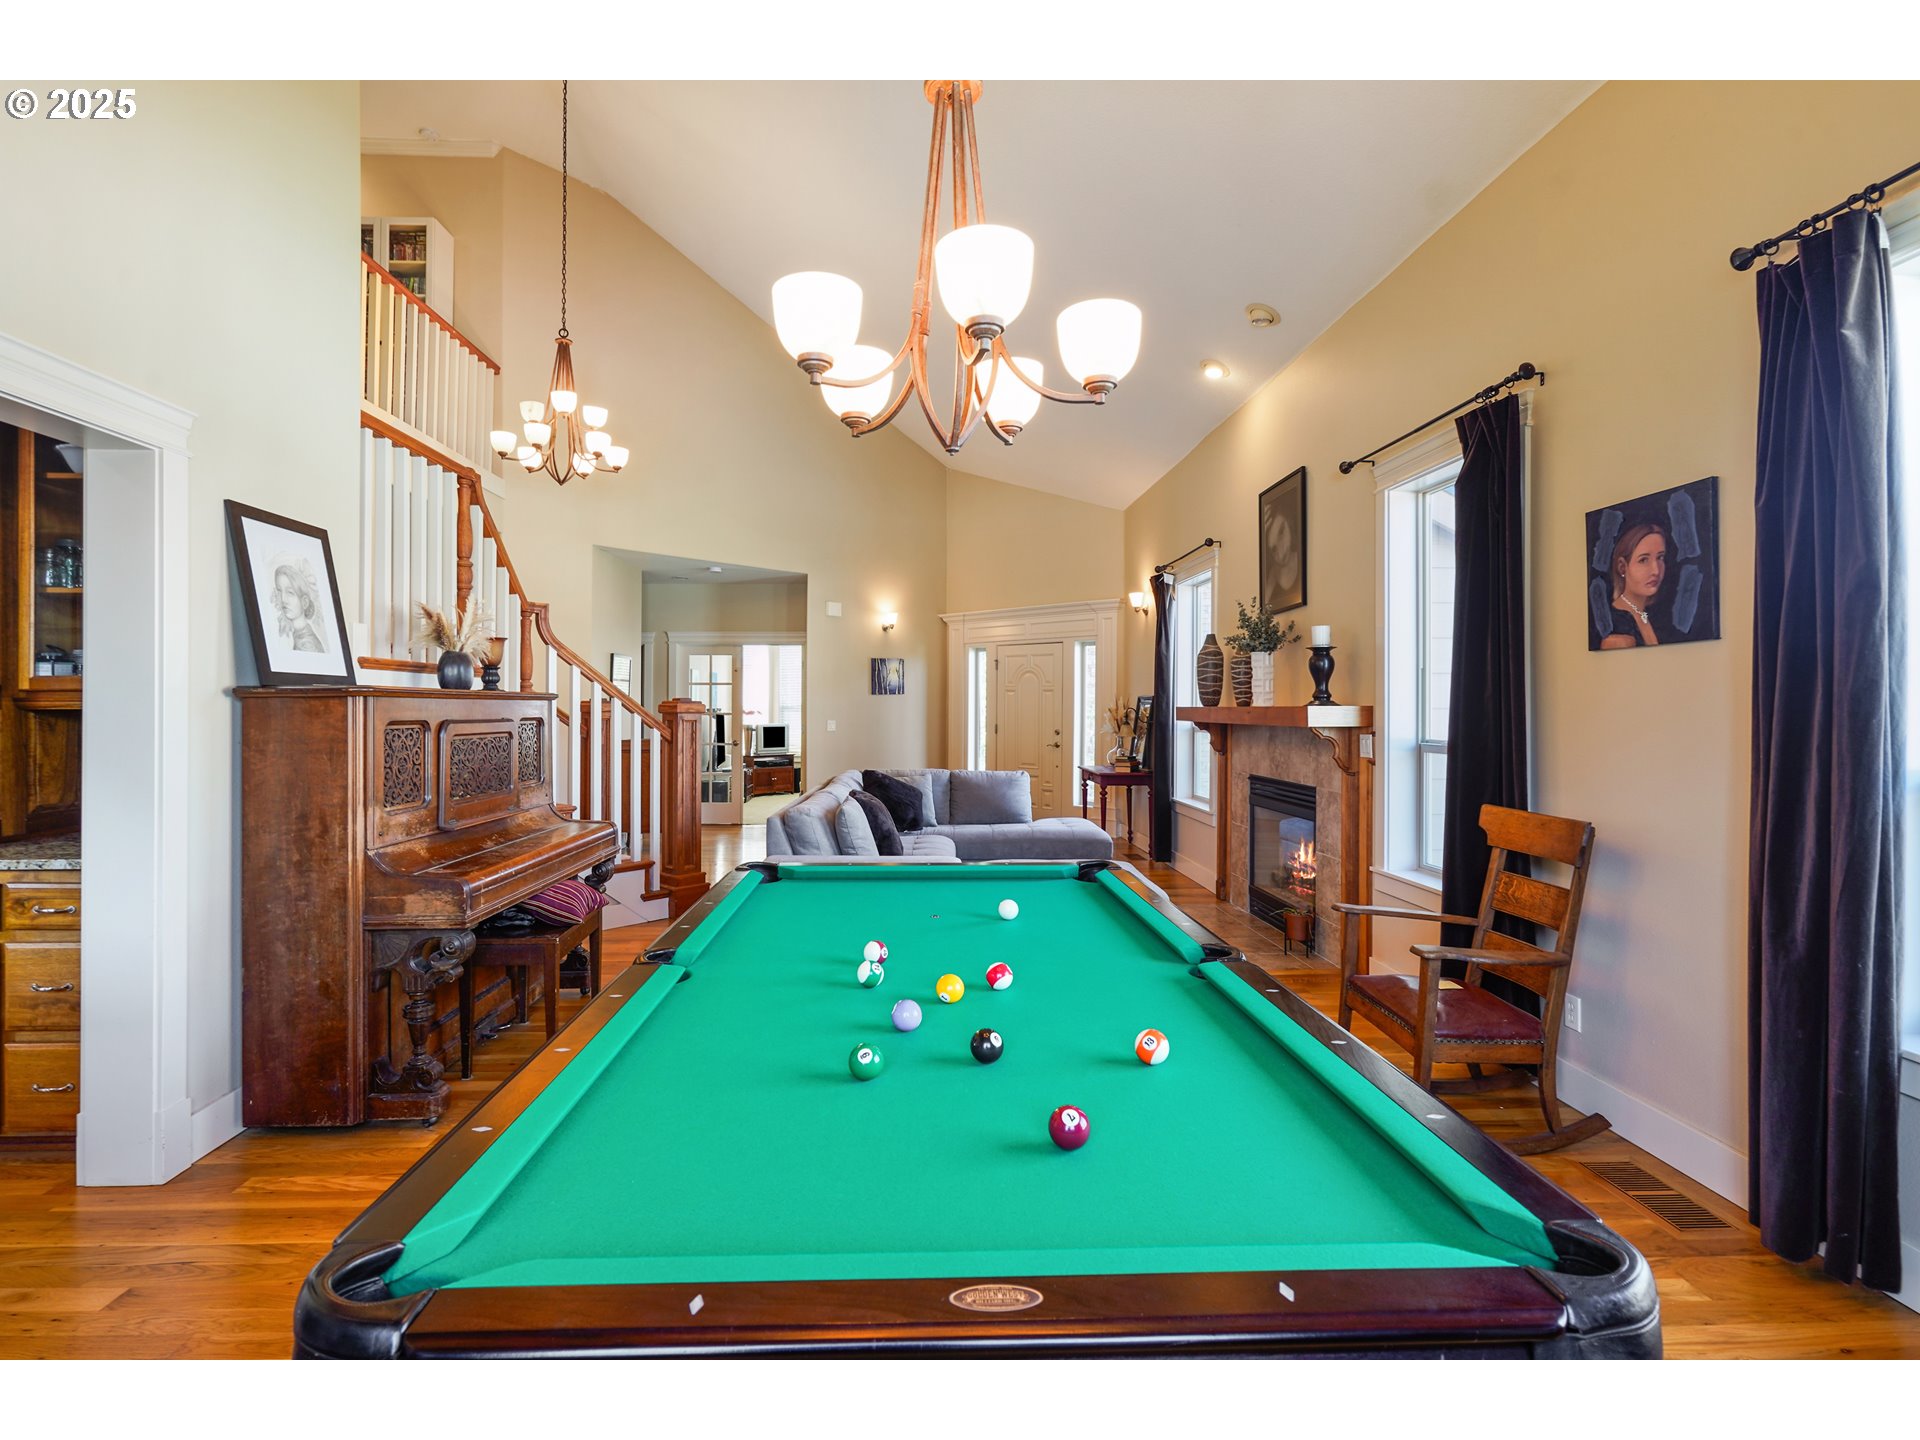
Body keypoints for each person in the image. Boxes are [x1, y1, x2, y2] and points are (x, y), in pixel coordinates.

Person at [1598, 521, 1670, 649]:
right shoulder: (1616, 627)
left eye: (1660, 558)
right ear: (1622, 567)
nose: (1656, 571)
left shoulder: (1657, 616)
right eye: (1643, 560)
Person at [270, 558, 328, 654]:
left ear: (304, 602)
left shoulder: (307, 644)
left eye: (290, 593)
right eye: (279, 591)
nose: (283, 599)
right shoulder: (297, 635)